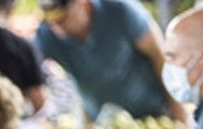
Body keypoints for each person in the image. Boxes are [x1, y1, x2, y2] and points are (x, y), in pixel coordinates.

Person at [36, 0, 185, 121]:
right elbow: (29, 65)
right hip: (104, 125)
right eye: (52, 21)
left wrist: (180, 113)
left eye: (62, 19)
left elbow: (161, 58)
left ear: (84, 5)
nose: (56, 27)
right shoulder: (48, 34)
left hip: (152, 115)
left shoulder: (122, 11)